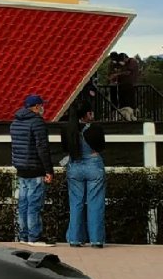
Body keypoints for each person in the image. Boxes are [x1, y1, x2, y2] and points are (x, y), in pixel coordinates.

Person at [10, 94, 54, 247]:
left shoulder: (15, 122)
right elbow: (42, 147)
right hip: (35, 168)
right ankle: (34, 237)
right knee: (34, 205)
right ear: (36, 107)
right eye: (42, 105)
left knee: (22, 204)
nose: (43, 108)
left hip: (21, 169)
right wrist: (49, 170)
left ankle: (23, 236)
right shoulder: (37, 123)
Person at [62, 99, 107, 248]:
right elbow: (101, 147)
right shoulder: (96, 129)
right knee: (95, 203)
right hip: (93, 165)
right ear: (87, 114)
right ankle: (96, 239)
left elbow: (65, 148)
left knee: (76, 203)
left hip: (74, 166)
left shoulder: (67, 129)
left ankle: (75, 238)